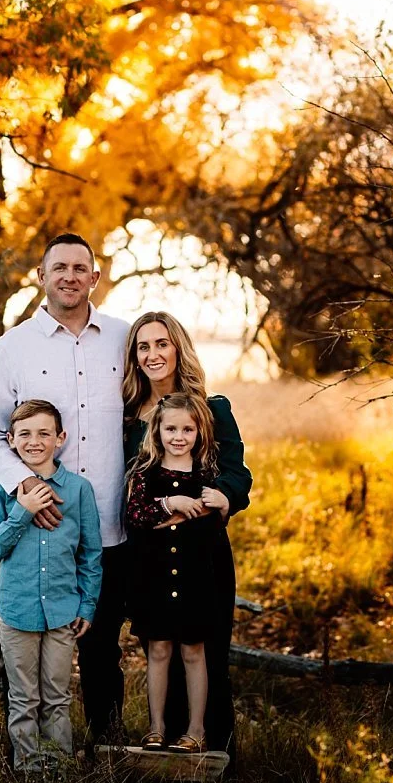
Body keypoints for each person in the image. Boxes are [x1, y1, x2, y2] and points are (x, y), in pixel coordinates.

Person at [0, 234, 133, 748]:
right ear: (41, 277)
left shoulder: (123, 338)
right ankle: (25, 755)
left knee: (102, 647)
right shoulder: (11, 347)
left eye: (80, 267)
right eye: (58, 267)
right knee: (28, 648)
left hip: (110, 522)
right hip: (35, 530)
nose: (69, 275)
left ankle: (103, 748)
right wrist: (26, 487)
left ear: (95, 277)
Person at [122, 311, 252, 755]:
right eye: (143, 346)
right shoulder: (131, 421)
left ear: (178, 348)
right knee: (160, 652)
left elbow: (237, 473)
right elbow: (129, 487)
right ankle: (165, 753)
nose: (153, 354)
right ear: (134, 357)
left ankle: (213, 755)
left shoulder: (210, 410)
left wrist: (223, 498)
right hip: (151, 555)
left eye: (162, 343)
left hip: (203, 556)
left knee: (205, 654)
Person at [0, 400, 103, 773]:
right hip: (18, 612)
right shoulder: (1, 491)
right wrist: (24, 510)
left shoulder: (79, 490)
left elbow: (91, 553)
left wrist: (87, 607)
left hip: (63, 612)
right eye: (25, 434)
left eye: (44, 433)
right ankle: (30, 767)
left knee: (56, 694)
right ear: (11, 440)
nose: (35, 442)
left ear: (60, 438)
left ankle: (59, 764)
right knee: (23, 696)